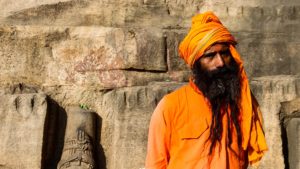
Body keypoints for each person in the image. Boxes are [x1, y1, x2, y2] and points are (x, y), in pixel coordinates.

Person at [145, 11, 268, 169]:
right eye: (210, 56)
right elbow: (155, 165)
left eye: (224, 53)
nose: (220, 63)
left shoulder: (243, 102)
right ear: (195, 62)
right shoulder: (170, 106)